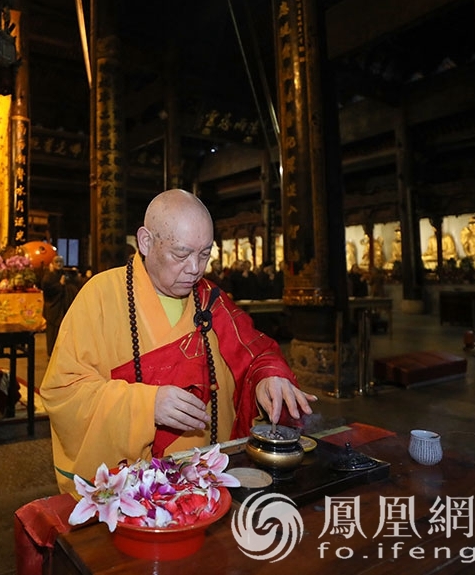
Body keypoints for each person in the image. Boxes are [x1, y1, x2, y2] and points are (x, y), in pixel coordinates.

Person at [40, 189, 316, 493]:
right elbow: (63, 392)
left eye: (204, 254)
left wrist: (268, 378)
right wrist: (147, 406)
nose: (195, 269)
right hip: (133, 487)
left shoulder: (211, 301)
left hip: (207, 478)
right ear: (145, 242)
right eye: (181, 254)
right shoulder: (101, 296)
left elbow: (255, 354)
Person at [40, 255, 76, 357]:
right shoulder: (49, 276)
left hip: (63, 307)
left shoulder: (65, 274)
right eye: (57, 262)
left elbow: (73, 286)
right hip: (53, 308)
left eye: (61, 262)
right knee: (53, 333)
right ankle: (52, 353)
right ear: (52, 263)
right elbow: (48, 290)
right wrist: (60, 285)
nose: (59, 264)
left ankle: (63, 352)